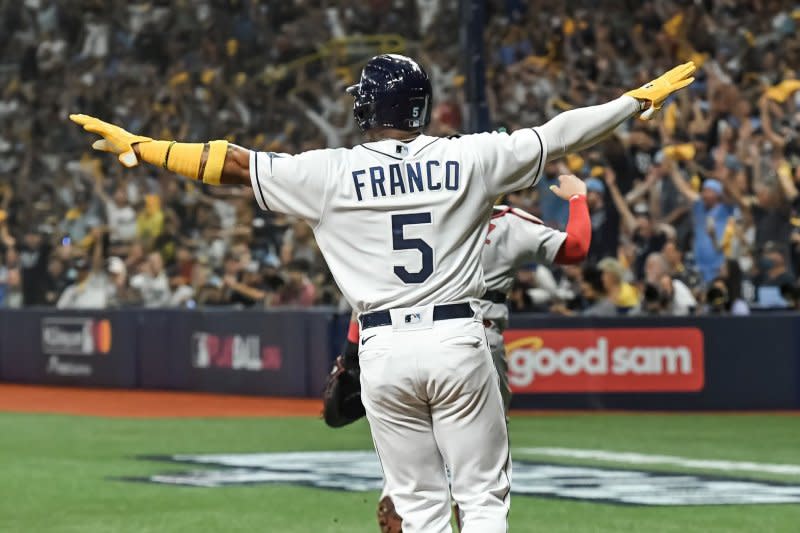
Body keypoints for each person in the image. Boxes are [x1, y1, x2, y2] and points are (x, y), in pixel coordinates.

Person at [71, 54, 694, 532]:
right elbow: (562, 135)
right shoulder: (472, 157)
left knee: (417, 508)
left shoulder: (327, 173)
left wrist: (145, 147)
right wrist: (634, 103)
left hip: (382, 351)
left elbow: (231, 162)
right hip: (458, 337)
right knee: (481, 499)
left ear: (367, 107)